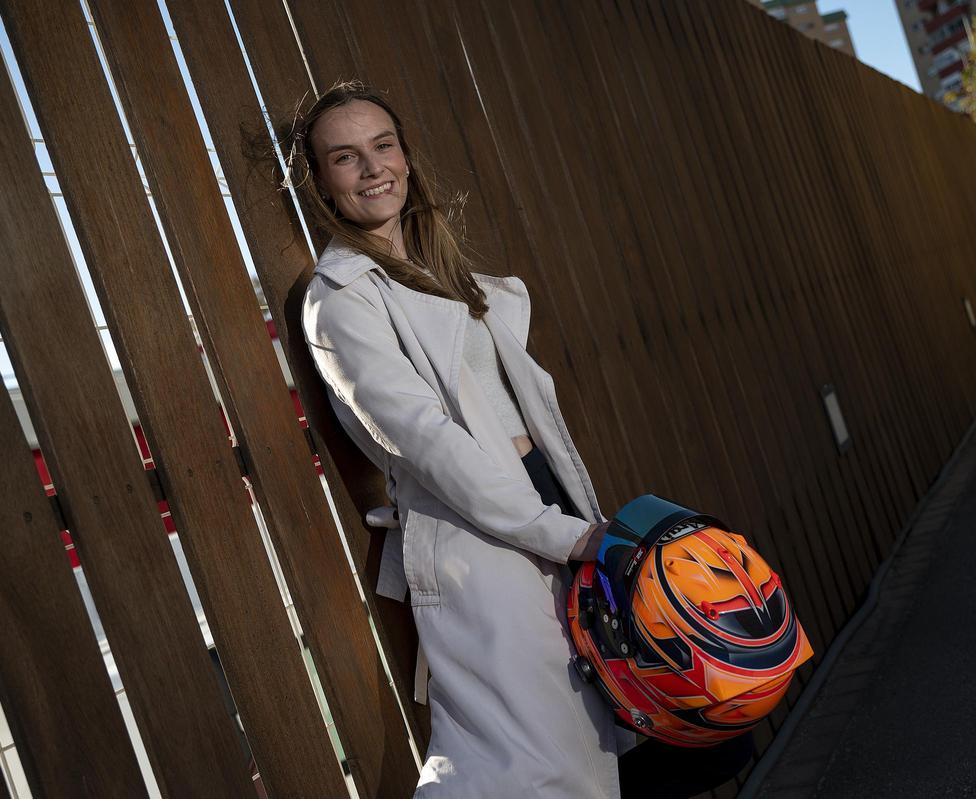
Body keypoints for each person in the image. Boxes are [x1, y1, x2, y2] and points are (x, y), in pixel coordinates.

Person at [288, 80, 750, 797]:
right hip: (481, 531)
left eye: (383, 146)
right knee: (529, 761)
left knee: (658, 719)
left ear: (407, 157)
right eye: (345, 158)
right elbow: (424, 439)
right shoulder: (341, 297)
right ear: (321, 182)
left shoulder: (450, 277)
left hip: (550, 502)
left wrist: (568, 520)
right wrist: (561, 535)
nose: (373, 167)